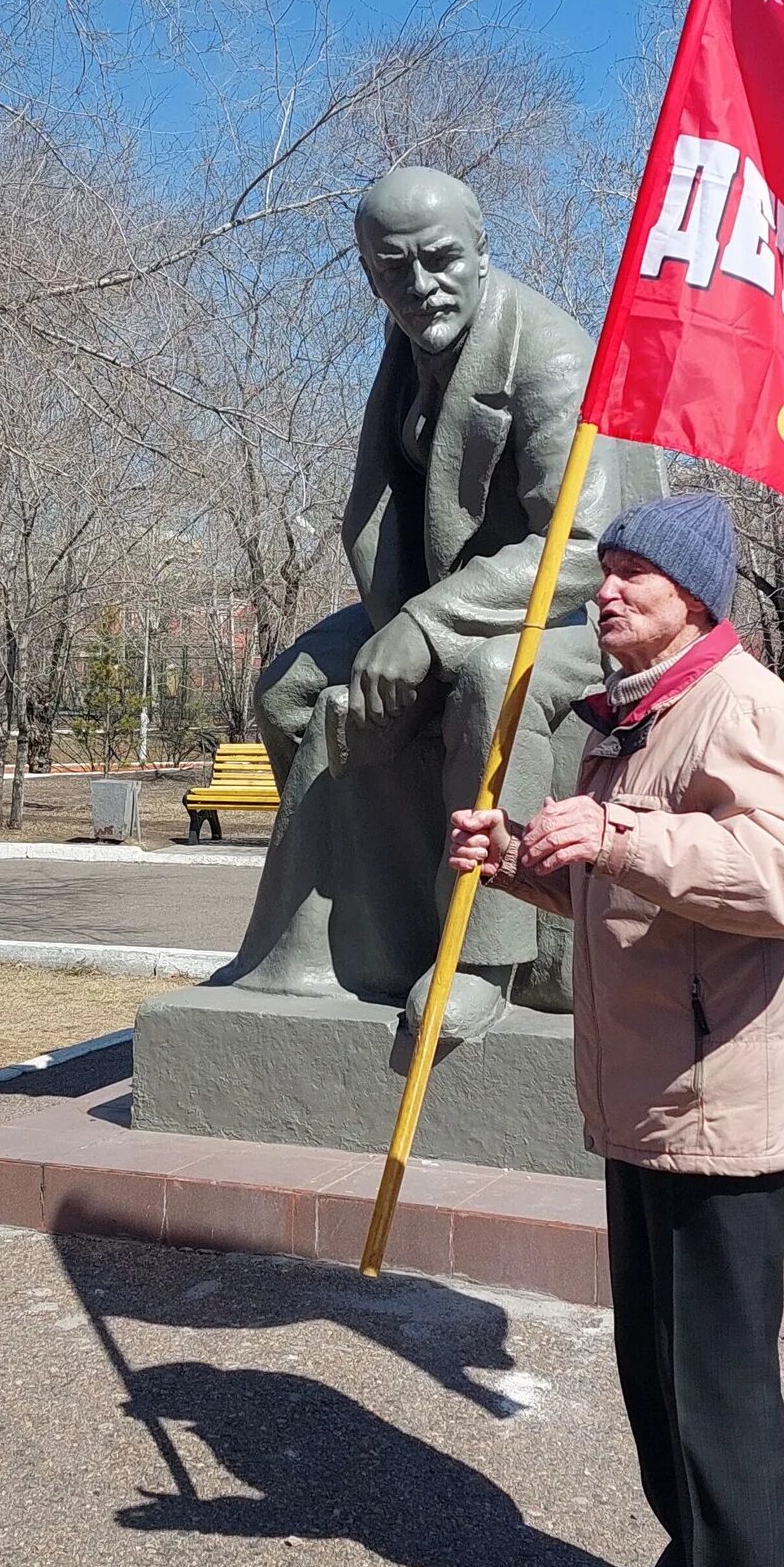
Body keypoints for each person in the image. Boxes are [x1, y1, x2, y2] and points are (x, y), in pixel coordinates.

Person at [445, 491, 784, 1567]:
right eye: (602, 572)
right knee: (653, 1376)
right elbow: (609, 885)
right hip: (643, 1106)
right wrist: (518, 856)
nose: (605, 593)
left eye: (631, 575)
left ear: (695, 597)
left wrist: (620, 829)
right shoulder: (626, 724)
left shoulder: (746, 710)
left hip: (726, 1110)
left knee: (722, 1396)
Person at [230, 163, 661, 1021]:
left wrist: (427, 631)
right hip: (455, 604)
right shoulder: (407, 351)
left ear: (481, 250)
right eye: (394, 269)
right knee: (287, 693)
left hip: (597, 614)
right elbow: (383, 507)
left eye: (440, 259)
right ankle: (372, 933)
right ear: (370, 273)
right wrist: (403, 625)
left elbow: (581, 544)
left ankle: (483, 957)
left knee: (495, 678)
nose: (421, 287)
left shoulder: (551, 356)